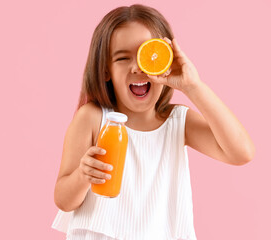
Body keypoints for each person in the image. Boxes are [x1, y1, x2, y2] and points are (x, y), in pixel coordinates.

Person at [52, 4, 255, 240]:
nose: (137, 67)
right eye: (122, 58)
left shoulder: (178, 122)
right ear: (105, 70)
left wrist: (193, 87)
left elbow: (242, 153)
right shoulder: (94, 118)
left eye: (147, 55)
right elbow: (63, 200)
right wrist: (82, 175)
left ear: (165, 62)